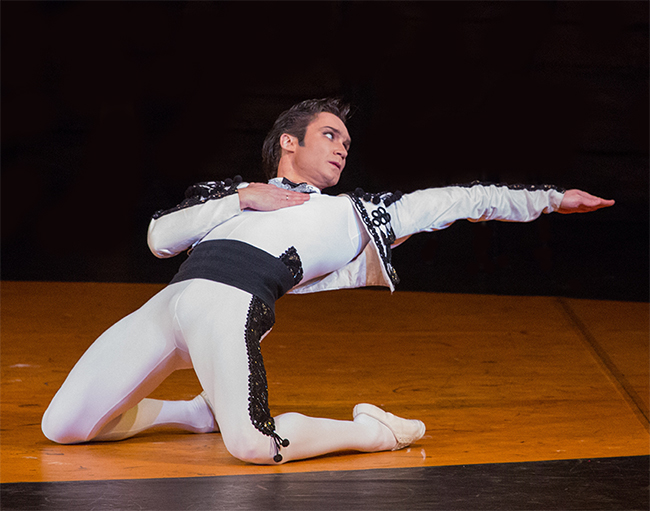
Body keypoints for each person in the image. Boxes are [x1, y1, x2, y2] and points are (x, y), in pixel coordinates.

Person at [41, 98, 614, 464]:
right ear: (289, 141)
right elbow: (159, 238)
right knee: (64, 426)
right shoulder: (232, 195)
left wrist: (550, 199)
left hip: (233, 304)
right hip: (168, 304)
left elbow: (462, 200)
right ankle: (195, 414)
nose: (342, 147)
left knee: (254, 445)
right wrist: (245, 197)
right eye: (330, 135)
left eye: (346, 142)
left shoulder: (352, 213)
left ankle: (376, 432)